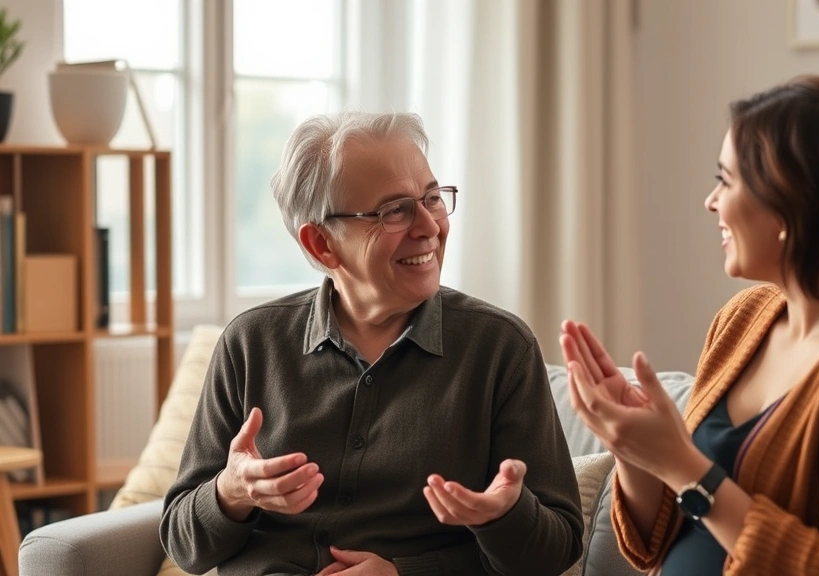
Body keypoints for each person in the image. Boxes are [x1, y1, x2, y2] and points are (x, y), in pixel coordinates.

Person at [560, 31, 819, 575]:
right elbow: (657, 543)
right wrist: (637, 451)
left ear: (792, 204)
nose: (711, 202)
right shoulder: (745, 318)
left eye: (725, 180)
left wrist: (682, 464)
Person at [160, 111, 583, 576]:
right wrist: (231, 491)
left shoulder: (500, 350)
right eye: (394, 210)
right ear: (322, 244)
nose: (429, 226)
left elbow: (556, 553)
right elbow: (185, 546)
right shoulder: (249, 343)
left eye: (433, 198)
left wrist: (475, 532)